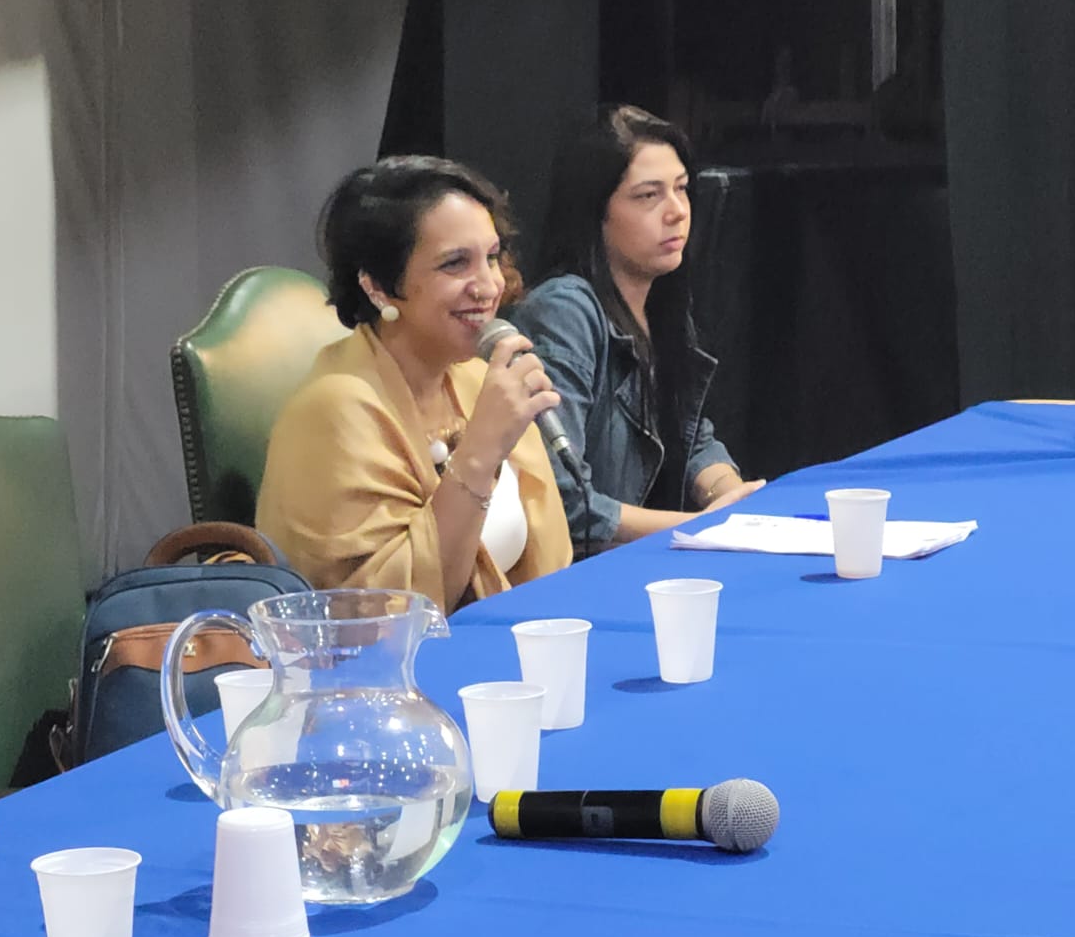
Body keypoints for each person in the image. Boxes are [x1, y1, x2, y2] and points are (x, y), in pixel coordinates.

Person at [256, 156, 572, 612]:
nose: (488, 286)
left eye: (491, 257)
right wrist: (480, 451)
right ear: (378, 286)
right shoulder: (335, 410)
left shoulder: (477, 378)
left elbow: (546, 565)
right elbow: (388, 610)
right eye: (455, 264)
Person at [511, 105, 763, 554]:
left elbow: (691, 436)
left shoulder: (660, 298)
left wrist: (731, 496)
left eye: (681, 189)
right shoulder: (563, 311)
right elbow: (562, 500)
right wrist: (697, 526)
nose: (677, 212)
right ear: (595, 210)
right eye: (648, 196)